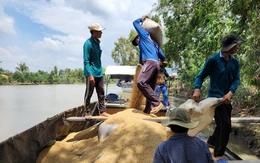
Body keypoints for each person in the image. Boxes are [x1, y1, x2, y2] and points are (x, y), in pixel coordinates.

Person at [192, 34, 241, 163]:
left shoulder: (235, 62)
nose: (238, 47)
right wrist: (197, 89)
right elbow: (200, 76)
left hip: (227, 98)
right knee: (225, 124)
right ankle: (218, 154)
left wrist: (230, 93)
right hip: (215, 99)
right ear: (230, 46)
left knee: (221, 124)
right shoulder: (213, 60)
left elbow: (236, 79)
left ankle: (211, 142)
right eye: (236, 45)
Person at [132, 15, 166, 114]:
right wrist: (160, 61)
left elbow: (135, 22)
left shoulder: (143, 34)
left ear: (138, 37)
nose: (138, 43)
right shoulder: (155, 43)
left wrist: (142, 18)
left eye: (136, 41)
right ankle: (147, 110)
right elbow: (163, 56)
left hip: (150, 62)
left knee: (141, 82)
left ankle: (157, 103)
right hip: (156, 65)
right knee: (150, 88)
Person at [83, 23, 110, 117]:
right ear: (94, 32)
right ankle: (87, 112)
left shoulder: (98, 43)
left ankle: (102, 111)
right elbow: (86, 61)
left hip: (99, 72)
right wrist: (90, 74)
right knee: (89, 93)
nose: (101, 33)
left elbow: (97, 60)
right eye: (99, 31)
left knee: (101, 93)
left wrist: (101, 72)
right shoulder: (88, 44)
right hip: (91, 73)